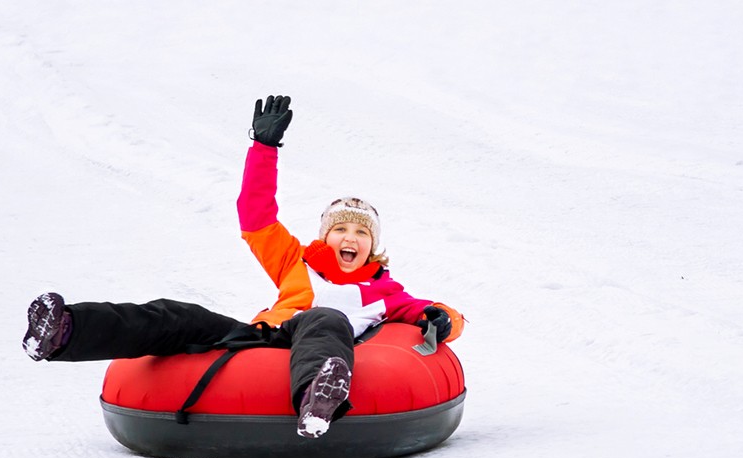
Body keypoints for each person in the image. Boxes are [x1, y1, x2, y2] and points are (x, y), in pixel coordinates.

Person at [23, 94, 464, 438]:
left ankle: (318, 399)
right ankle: (64, 330)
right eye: (340, 230)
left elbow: (431, 313)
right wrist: (264, 148)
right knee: (181, 315)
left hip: (320, 339)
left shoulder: (384, 291)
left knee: (324, 317)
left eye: (361, 233)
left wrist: (445, 319)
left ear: (372, 246)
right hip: (265, 336)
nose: (350, 239)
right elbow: (255, 216)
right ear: (325, 235)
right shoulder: (295, 260)